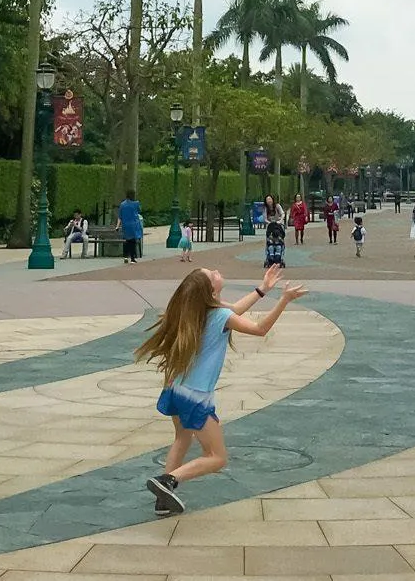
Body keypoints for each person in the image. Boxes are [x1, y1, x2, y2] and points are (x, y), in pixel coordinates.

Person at [137, 262, 307, 515]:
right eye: (212, 274)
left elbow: (235, 309)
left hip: (176, 387)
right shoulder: (218, 315)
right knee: (217, 457)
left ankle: (163, 500)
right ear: (211, 290)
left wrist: (263, 289)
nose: (217, 271)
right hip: (196, 396)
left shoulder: (197, 309)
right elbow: (260, 329)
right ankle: (168, 481)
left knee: (182, 438)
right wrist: (284, 299)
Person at [119, 188, 144, 263]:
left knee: (127, 240)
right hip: (134, 224)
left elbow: (120, 216)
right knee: (133, 241)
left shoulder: (122, 204)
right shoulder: (136, 203)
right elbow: (139, 210)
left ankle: (125, 256)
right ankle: (133, 258)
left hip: (125, 225)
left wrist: (117, 226)